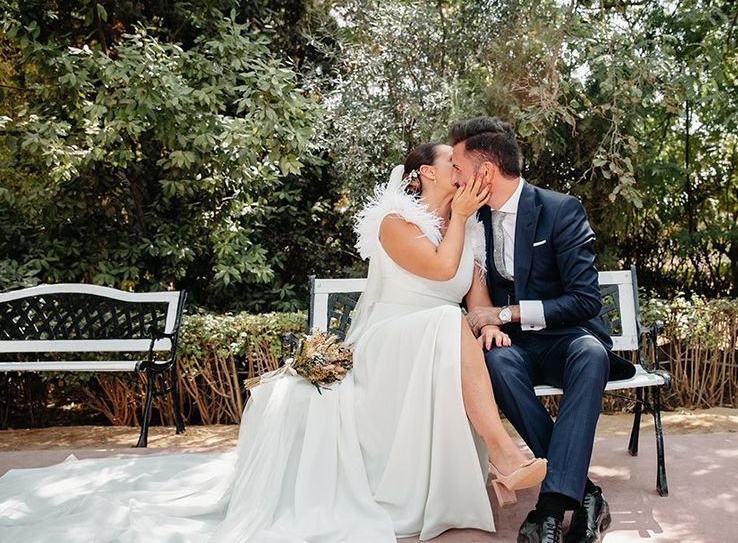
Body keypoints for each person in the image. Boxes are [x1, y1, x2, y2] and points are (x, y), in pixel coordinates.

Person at [0, 142, 547, 543]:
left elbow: (472, 299)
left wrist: (489, 321)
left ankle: (502, 459)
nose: (463, 169)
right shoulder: (392, 221)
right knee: (443, 325)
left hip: (435, 342)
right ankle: (505, 453)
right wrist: (459, 221)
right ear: (426, 172)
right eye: (454, 162)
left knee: (451, 325)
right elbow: (439, 267)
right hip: (388, 341)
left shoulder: (466, 227)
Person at [448, 117, 637, 543]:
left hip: (565, 339)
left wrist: (508, 314)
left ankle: (550, 507)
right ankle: (585, 494)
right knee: (496, 364)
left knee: (591, 355)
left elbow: (585, 300)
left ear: (485, 173)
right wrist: (488, 324)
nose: (454, 177)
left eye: (458, 167)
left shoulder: (559, 209)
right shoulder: (471, 219)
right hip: (514, 348)